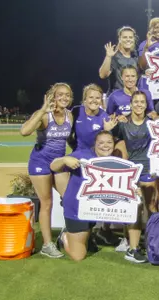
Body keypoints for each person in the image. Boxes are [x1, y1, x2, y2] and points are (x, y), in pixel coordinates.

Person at [20, 83, 73, 258]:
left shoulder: (69, 116)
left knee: (70, 198)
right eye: (60, 95)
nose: (64, 98)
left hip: (58, 162)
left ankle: (69, 233)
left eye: (67, 95)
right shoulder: (44, 115)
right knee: (47, 202)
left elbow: (70, 140)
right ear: (53, 96)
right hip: (40, 161)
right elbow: (24, 131)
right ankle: (47, 244)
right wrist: (43, 110)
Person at [52, 131, 116, 261]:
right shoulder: (82, 155)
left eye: (109, 142)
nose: (105, 146)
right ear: (95, 144)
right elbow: (54, 167)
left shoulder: (113, 160)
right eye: (101, 143)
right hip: (76, 208)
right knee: (78, 256)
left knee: (86, 240)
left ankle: (87, 236)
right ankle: (64, 236)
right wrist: (64, 159)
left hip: (92, 208)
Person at [113, 90, 157, 262]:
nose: (139, 104)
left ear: (146, 105)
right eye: (136, 102)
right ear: (130, 104)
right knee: (134, 209)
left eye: (142, 102)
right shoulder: (123, 124)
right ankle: (132, 248)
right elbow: (107, 141)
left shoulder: (152, 123)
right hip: (130, 172)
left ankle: (148, 243)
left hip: (149, 170)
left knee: (150, 208)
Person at [68, 84, 117, 151]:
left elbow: (108, 145)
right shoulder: (76, 111)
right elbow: (68, 134)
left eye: (97, 98)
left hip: (95, 155)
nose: (94, 100)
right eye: (91, 97)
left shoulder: (105, 117)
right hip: (78, 153)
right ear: (85, 99)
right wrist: (74, 147)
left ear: (101, 101)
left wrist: (106, 131)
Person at [99, 26, 138, 94]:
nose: (128, 39)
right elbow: (102, 75)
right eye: (125, 37)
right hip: (116, 96)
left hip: (131, 97)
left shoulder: (135, 57)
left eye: (130, 37)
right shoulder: (114, 57)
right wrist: (108, 57)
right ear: (119, 39)